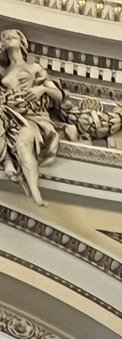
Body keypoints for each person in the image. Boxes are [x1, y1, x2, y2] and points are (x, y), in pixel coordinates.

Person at [0, 29, 64, 206]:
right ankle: (7, 162)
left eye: (13, 35)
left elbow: (58, 95)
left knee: (23, 142)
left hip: (36, 118)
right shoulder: (3, 73)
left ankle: (35, 194)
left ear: (22, 42)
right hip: (12, 115)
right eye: (4, 37)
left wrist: (42, 89)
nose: (8, 36)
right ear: (2, 45)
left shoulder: (34, 68)